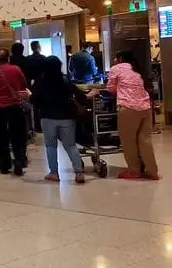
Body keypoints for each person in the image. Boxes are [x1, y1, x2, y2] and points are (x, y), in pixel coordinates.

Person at [95, 50, 159, 180]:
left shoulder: (116, 68)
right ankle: (152, 171)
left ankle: (133, 170)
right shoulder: (136, 69)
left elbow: (111, 88)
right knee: (145, 140)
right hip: (145, 107)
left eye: (115, 58)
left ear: (120, 59)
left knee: (128, 141)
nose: (114, 60)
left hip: (128, 108)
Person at [31, 56, 87, 183]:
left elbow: (35, 100)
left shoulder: (41, 81)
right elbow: (80, 95)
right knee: (70, 145)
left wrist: (29, 97)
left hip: (47, 117)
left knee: (51, 146)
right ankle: (79, 173)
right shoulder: (65, 80)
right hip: (66, 117)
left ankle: (54, 173)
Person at [0, 49, 29, 176]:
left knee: (0, 136)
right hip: (14, 106)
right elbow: (23, 85)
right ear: (8, 58)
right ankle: (19, 160)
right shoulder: (15, 69)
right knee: (18, 135)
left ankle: (4, 165)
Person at [24, 40, 46, 132]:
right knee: (42, 105)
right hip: (42, 83)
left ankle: (34, 126)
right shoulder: (43, 58)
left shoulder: (28, 59)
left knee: (34, 106)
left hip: (31, 84)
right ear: (38, 47)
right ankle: (41, 126)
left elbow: (26, 73)